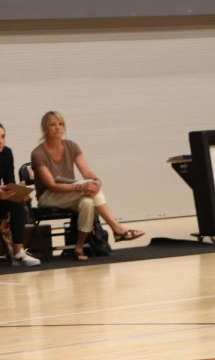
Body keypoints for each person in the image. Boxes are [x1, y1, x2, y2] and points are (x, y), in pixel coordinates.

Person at [30, 111, 145, 260]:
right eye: (52, 125)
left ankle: (78, 248)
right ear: (45, 128)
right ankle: (117, 228)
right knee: (89, 192)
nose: (57, 127)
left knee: (88, 202)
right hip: (49, 196)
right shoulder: (38, 153)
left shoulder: (72, 146)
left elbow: (86, 171)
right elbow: (52, 185)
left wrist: (96, 181)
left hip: (70, 192)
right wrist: (81, 187)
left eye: (60, 124)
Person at [0, 123, 39, 266]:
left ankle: (19, 252)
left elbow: (9, 181)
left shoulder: (6, 153)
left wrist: (17, 193)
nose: (1, 141)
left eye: (3, 137)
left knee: (18, 203)